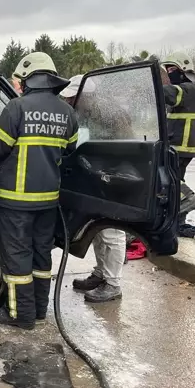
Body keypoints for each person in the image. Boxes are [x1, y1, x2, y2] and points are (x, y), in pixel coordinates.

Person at [0, 52, 78, 330]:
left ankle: (20, 315)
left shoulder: (18, 108)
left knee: (17, 257)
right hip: (48, 201)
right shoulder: (67, 112)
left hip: (16, 201)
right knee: (41, 256)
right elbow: (71, 151)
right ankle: (39, 311)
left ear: (28, 78)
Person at [60, 75, 126, 303]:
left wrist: (107, 174)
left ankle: (113, 283)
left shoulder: (109, 114)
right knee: (98, 228)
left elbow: (119, 147)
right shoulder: (85, 112)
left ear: (85, 96)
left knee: (112, 231)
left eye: (72, 98)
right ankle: (101, 273)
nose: (68, 102)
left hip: (112, 176)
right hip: (95, 176)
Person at [161, 52, 195, 226]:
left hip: (181, 145)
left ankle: (188, 199)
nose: (169, 73)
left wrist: (150, 84)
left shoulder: (189, 89)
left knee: (169, 179)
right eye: (167, 69)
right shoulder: (188, 90)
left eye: (172, 69)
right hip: (177, 145)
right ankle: (178, 219)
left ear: (183, 70)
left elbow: (169, 94)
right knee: (176, 178)